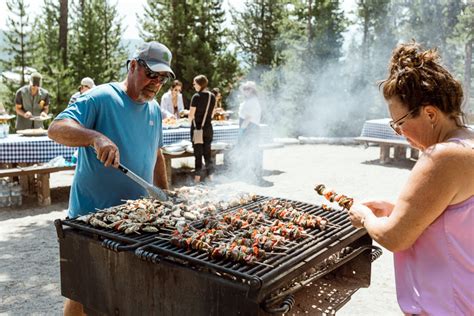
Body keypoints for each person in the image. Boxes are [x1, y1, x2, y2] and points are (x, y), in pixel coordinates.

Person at [48, 41, 175, 316]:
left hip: (135, 221)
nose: (156, 83)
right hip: (91, 218)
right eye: (152, 74)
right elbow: (56, 128)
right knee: (81, 290)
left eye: (163, 78)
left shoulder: (153, 109)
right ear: (132, 65)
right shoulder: (101, 97)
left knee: (124, 293)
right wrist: (96, 137)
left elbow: (156, 154)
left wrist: (165, 196)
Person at [348, 42, 474, 315]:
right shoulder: (468, 142)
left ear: (430, 114)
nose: (399, 132)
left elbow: (395, 238)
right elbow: (458, 222)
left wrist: (365, 218)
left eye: (400, 123)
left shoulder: (444, 156)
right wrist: (398, 212)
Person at [234, 81, 270, 186]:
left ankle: (254, 176)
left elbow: (248, 117)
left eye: (247, 89)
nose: (245, 91)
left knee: (251, 152)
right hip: (248, 128)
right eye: (244, 89)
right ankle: (250, 175)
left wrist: (242, 130)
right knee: (248, 152)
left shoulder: (253, 101)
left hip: (250, 128)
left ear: (252, 90)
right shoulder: (249, 100)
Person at [188, 75, 216, 183]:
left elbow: (191, 115)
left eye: (194, 83)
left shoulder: (196, 96)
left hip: (197, 130)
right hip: (208, 128)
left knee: (198, 154)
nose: (193, 85)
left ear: (199, 84)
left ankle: (197, 179)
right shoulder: (212, 96)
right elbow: (212, 113)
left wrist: (190, 120)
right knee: (207, 154)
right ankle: (211, 178)